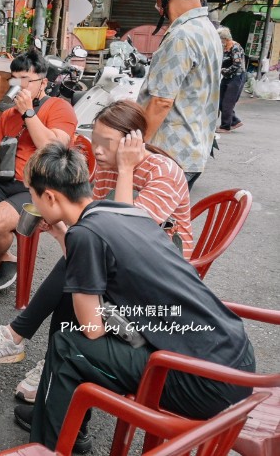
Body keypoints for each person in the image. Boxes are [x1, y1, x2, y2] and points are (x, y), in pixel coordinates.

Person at [0, 101, 193, 429]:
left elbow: (122, 236)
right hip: (123, 260)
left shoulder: (161, 172)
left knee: (82, 266)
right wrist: (60, 230)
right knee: (80, 263)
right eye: (94, 139)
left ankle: (28, 345)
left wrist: (126, 170)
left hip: (160, 273)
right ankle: (51, 372)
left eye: (106, 143)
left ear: (132, 143)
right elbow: (93, 229)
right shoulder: (108, 167)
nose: (96, 150)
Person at [13, 142, 254, 451]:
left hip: (204, 384)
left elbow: (93, 328)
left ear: (49, 196)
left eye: (33, 195)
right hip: (234, 359)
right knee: (76, 314)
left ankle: (51, 446)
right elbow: (93, 273)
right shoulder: (125, 212)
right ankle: (62, 424)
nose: (33, 202)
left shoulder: (86, 234)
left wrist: (69, 238)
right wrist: (62, 234)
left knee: (67, 345)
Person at [0, 50, 77, 297]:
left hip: (40, 188)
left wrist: (29, 113)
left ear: (43, 82)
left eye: (26, 79)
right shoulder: (8, 115)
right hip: (6, 181)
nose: (20, 85)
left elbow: (54, 149)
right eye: (15, 78)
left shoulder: (60, 108)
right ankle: (6, 257)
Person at [136, 0, 221, 189]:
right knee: (168, 225)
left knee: (140, 224)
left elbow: (161, 102)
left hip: (170, 153)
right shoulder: (207, 29)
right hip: (193, 149)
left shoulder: (181, 36)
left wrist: (137, 148)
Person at [216, 26, 246, 133]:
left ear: (225, 39)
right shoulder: (224, 48)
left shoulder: (235, 47)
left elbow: (237, 65)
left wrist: (223, 70)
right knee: (220, 101)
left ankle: (225, 126)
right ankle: (234, 121)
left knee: (227, 102)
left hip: (236, 77)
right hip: (227, 76)